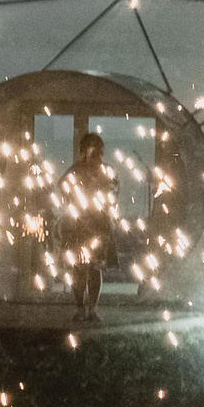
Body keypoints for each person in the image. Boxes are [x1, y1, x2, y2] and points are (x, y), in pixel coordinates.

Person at [58, 131, 119, 325]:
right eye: (92, 151)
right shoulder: (75, 171)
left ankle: (91, 309)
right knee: (79, 269)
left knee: (94, 269)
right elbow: (63, 188)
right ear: (84, 151)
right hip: (77, 227)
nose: (96, 155)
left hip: (98, 226)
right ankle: (80, 309)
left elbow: (114, 192)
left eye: (99, 151)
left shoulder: (106, 172)